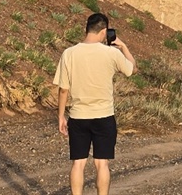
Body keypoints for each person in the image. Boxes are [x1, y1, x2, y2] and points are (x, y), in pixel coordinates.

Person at [54, 13, 136, 195]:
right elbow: (132, 69)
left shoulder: (69, 53)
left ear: (87, 29)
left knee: (78, 163)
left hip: (78, 116)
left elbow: (63, 90)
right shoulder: (112, 53)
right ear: (104, 31)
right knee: (102, 163)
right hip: (104, 116)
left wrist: (61, 116)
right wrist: (123, 46)